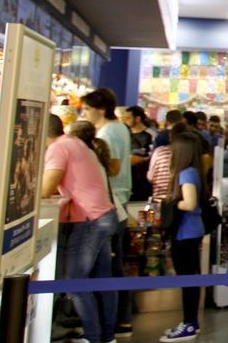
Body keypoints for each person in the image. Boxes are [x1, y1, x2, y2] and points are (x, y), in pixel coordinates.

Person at [44, 115, 118, 343]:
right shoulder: (75, 144)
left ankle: (94, 337)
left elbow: (46, 187)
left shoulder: (58, 148)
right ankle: (106, 336)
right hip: (103, 215)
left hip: (90, 219)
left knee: (74, 281)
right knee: (101, 278)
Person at [80, 88, 133, 339]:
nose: (85, 113)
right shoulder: (120, 128)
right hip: (117, 202)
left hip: (111, 202)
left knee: (109, 268)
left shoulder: (110, 132)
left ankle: (113, 323)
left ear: (100, 108)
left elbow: (114, 165)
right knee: (114, 266)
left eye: (87, 109)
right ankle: (120, 319)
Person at [159, 131, 207, 342]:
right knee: (190, 278)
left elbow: (190, 203)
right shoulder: (194, 171)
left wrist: (169, 202)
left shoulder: (186, 173)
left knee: (188, 279)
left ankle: (189, 323)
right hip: (191, 231)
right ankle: (190, 322)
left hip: (186, 232)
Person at [123, 105, 154, 202]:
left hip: (144, 179)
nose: (125, 120)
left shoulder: (151, 134)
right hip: (128, 178)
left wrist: (142, 159)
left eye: (128, 118)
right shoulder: (125, 133)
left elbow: (154, 155)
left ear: (138, 118)